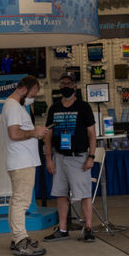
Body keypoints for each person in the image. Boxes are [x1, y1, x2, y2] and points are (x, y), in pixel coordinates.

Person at [43, 72, 98, 242]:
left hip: (79, 158)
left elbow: (92, 134)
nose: (65, 86)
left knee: (84, 194)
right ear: (59, 87)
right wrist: (48, 159)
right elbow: (48, 135)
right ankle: (62, 229)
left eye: (69, 83)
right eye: (62, 83)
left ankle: (88, 228)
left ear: (75, 86)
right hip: (59, 157)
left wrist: (91, 156)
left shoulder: (84, 107)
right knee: (60, 193)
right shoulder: (54, 108)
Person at [3, 75, 48, 256]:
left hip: (22, 160)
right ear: (23, 90)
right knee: (21, 202)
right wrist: (34, 132)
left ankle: (18, 238)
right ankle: (21, 241)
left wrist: (34, 132)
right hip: (21, 161)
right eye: (32, 94)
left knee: (18, 201)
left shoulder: (16, 106)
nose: (33, 98)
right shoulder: (13, 105)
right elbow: (14, 134)